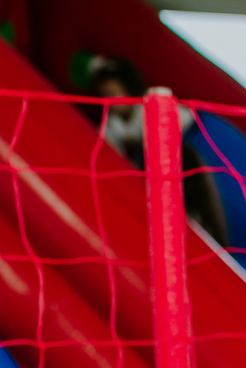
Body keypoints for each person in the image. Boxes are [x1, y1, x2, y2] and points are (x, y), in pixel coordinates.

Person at [82, 55, 229, 246]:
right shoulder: (112, 125)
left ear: (127, 88)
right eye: (104, 96)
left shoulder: (149, 107)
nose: (110, 100)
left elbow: (184, 118)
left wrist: (148, 138)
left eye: (113, 92)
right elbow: (107, 150)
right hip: (152, 178)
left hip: (180, 169)